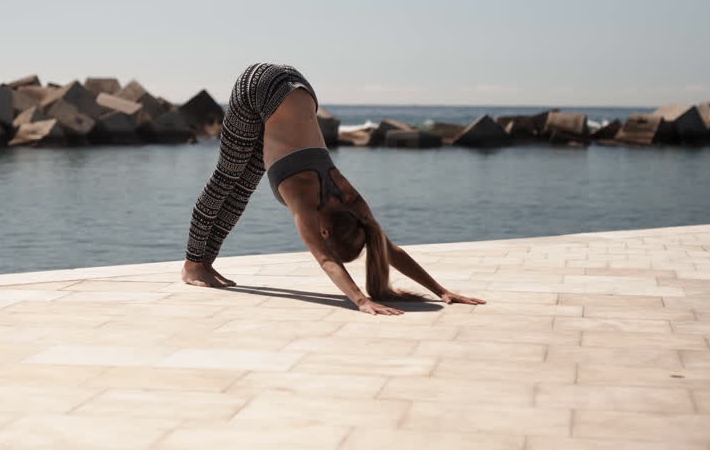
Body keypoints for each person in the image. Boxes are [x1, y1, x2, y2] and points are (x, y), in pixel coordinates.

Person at [182, 62, 486, 315]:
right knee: (228, 177)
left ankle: (204, 263)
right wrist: (361, 300)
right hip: (259, 86)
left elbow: (386, 248)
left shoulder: (351, 200)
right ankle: (193, 265)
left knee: (242, 187)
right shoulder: (302, 198)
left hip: (297, 84)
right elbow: (327, 260)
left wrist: (441, 291)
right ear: (326, 234)